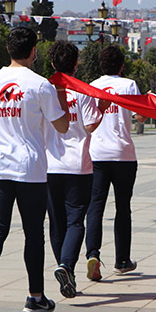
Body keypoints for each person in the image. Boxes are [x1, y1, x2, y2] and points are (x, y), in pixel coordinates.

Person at [0, 27, 69, 312]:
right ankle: (35, 297)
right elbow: (62, 126)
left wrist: (2, 135)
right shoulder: (40, 85)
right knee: (33, 234)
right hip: (30, 169)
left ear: (8, 50)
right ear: (33, 51)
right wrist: (61, 96)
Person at [44, 41, 109, 298]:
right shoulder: (82, 91)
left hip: (50, 165)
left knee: (56, 222)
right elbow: (91, 125)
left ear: (51, 63)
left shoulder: (44, 89)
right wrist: (102, 110)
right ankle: (66, 266)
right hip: (78, 165)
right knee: (76, 220)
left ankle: (64, 268)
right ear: (76, 63)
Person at [85, 45, 146, 281]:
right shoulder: (129, 85)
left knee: (95, 206)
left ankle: (93, 254)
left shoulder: (92, 86)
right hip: (123, 154)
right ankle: (122, 260)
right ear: (121, 65)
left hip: (97, 153)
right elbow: (140, 116)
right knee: (123, 206)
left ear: (101, 65)